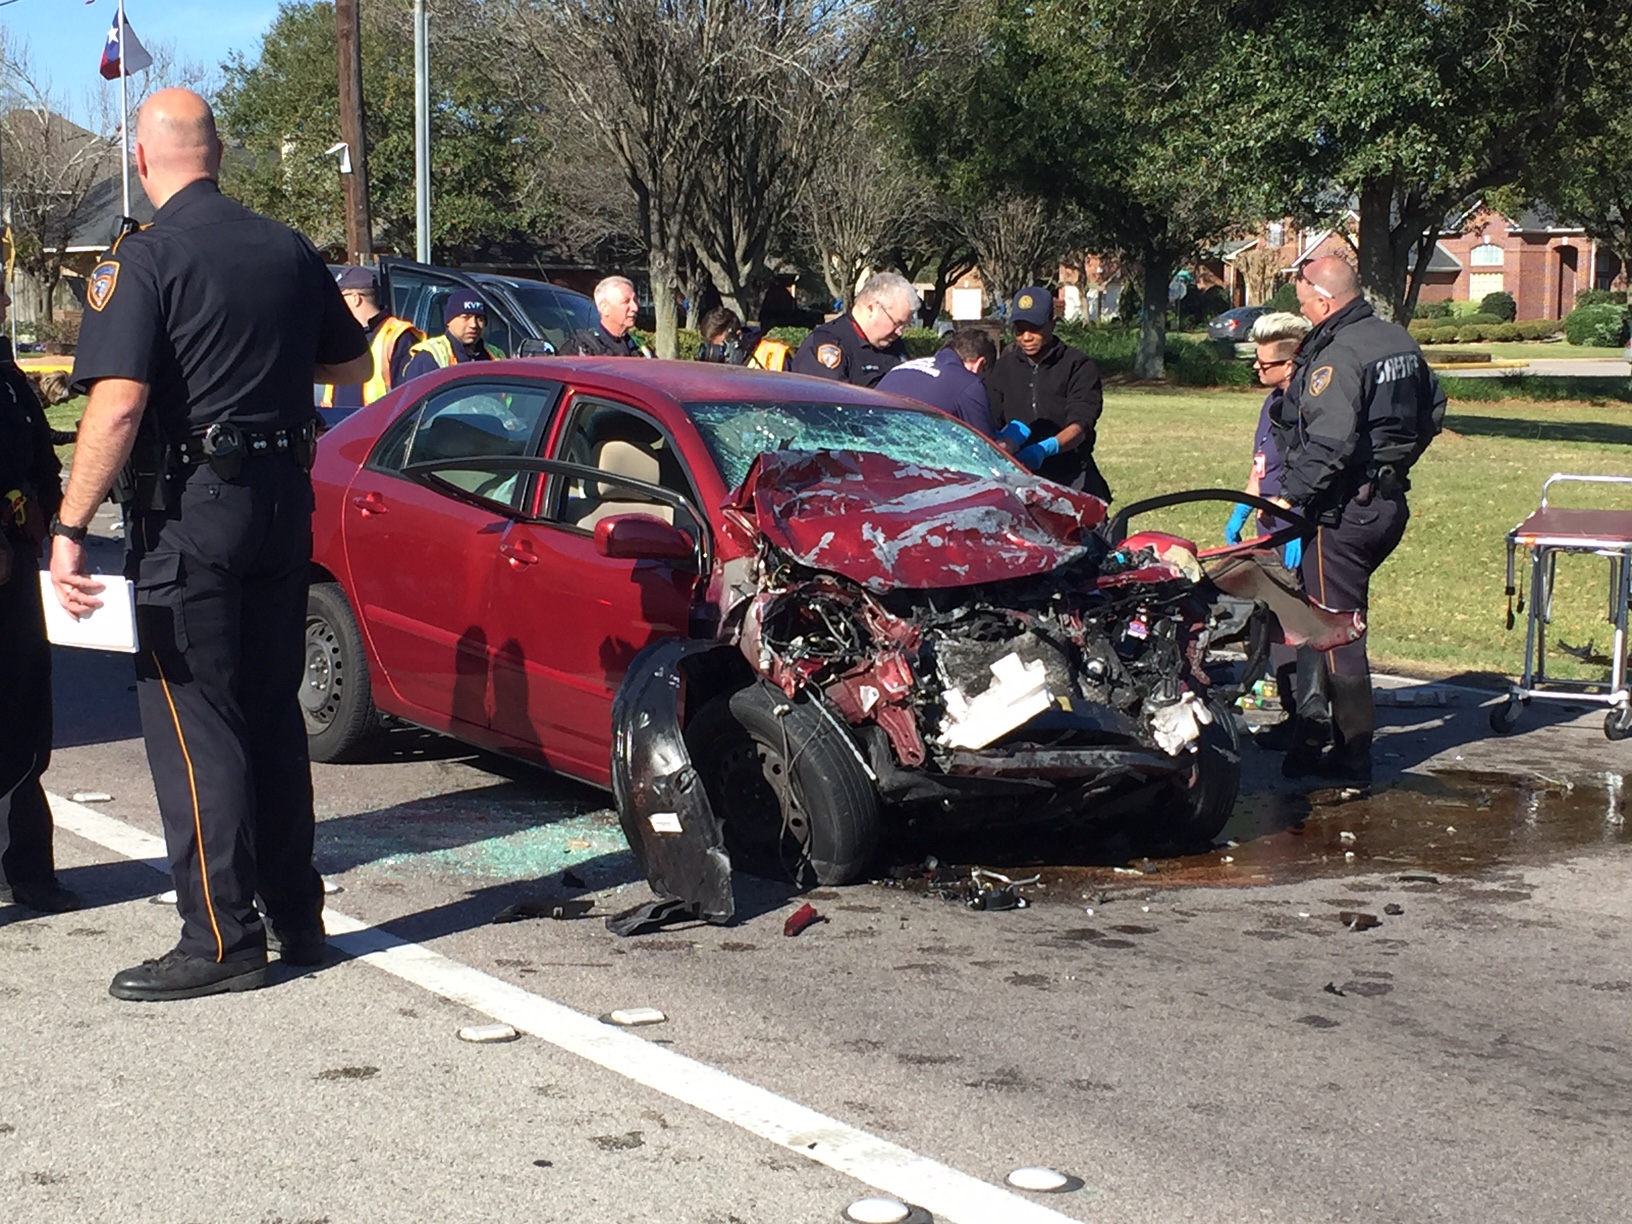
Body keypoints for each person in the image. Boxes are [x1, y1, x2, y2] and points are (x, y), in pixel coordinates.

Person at [50, 89, 370, 1001]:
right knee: (270, 710)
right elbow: (348, 365)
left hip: (193, 513)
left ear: (144, 163)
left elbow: (116, 404)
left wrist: (71, 530)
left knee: (195, 722)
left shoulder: (144, 258)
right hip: (281, 501)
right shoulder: (285, 247)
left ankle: (222, 936)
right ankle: (296, 916)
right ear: (219, 152)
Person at [1268, 256, 1445, 783]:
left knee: (1336, 630)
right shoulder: (1397, 340)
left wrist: (1291, 498)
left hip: (1344, 512)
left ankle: (1351, 754)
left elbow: (1330, 438)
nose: (1301, 312)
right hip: (1387, 504)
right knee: (1326, 615)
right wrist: (1393, 464)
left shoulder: (1339, 354)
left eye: (1303, 303)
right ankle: (1314, 732)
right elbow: (1433, 411)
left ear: (1324, 299)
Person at [0, 288, 79, 914]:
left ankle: (25, 866)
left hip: (17, 567)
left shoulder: (7, 373)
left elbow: (38, 461)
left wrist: (57, 526)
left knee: (25, 721)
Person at [1222, 310, 1311, 750]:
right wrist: (1241, 510)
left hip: (1291, 524)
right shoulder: (1270, 402)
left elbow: (1307, 470)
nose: (1257, 370)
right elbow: (1261, 467)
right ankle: (1279, 707)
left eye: (1264, 364)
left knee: (1295, 623)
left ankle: (1306, 717)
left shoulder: (1306, 406)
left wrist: (1293, 523)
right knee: (1265, 620)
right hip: (1266, 523)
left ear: (1290, 363)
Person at [986, 286, 1111, 501]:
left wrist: (1045, 449)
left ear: (1052, 323)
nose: (1026, 337)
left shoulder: (1078, 366)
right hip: (1018, 478)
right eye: (1019, 329)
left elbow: (1080, 425)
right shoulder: (1002, 368)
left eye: (1034, 328)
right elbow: (990, 419)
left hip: (1070, 476)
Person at [318, 266, 422, 411]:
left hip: (381, 430)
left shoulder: (398, 336)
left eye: (339, 298)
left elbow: (408, 399)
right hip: (339, 427)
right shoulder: (342, 337)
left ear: (355, 298)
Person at [789, 271, 918, 388]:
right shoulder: (828, 344)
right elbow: (830, 405)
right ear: (871, 309)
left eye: (905, 325)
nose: (899, 332)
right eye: (897, 323)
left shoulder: (895, 346)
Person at [875, 327, 997, 436]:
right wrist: (1011, 441)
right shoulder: (968, 383)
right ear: (980, 364)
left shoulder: (903, 367)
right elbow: (986, 451)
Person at [402, 294, 501, 382]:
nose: (473, 325)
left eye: (479, 318)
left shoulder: (495, 354)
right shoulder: (429, 356)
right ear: (449, 321)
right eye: (465, 317)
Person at [566, 276, 651, 357]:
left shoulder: (639, 346)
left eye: (635, 301)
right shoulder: (583, 347)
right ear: (605, 309)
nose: (635, 308)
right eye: (626, 302)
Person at [694, 306, 793, 370]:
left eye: (722, 347)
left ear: (739, 335)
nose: (717, 355)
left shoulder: (774, 354)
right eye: (713, 349)